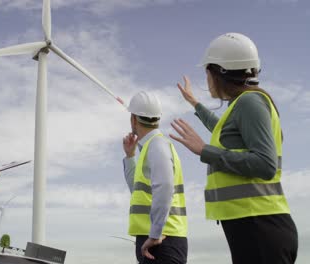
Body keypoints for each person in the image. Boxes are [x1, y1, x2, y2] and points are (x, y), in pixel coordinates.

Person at [170, 33, 298, 264]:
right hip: (253, 225)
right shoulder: (244, 103)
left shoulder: (249, 102)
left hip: (260, 226)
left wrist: (204, 150)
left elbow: (265, 165)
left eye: (207, 72)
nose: (206, 78)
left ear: (220, 72)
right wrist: (195, 103)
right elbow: (226, 131)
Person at [123, 91, 188, 264]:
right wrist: (130, 157)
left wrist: (155, 233)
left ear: (134, 119)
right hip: (156, 238)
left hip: (162, 240)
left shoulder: (157, 145)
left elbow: (165, 186)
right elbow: (137, 190)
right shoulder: (151, 148)